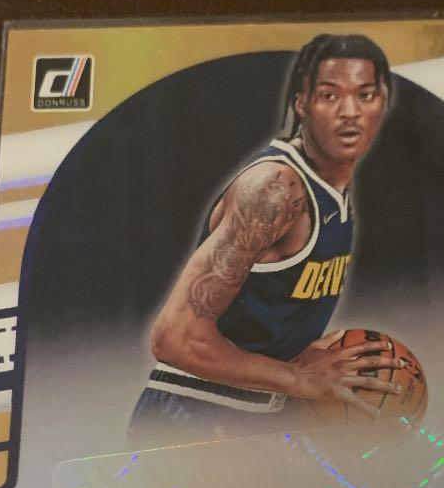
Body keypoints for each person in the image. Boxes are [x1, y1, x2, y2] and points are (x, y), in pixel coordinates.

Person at [128, 33, 404, 445]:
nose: (350, 112)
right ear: (302, 103)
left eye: (365, 95)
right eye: (329, 95)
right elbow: (175, 338)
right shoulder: (274, 191)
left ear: (384, 101)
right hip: (190, 418)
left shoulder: (333, 190)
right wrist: (299, 377)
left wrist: (303, 359)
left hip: (253, 421)